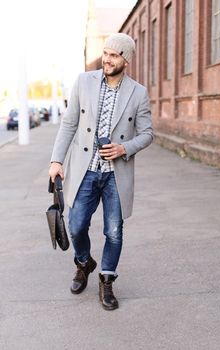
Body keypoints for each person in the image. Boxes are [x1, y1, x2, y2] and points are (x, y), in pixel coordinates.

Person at [49, 33, 153, 311]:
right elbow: (69, 124)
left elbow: (147, 134)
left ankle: (107, 279)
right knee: (75, 225)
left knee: (114, 231)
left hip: (115, 175)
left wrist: (124, 148)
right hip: (85, 170)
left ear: (125, 60)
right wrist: (56, 160)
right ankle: (84, 261)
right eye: (105, 53)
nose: (107, 59)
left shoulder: (138, 92)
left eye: (114, 55)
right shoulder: (84, 81)